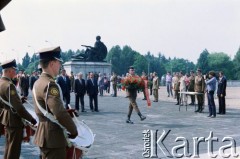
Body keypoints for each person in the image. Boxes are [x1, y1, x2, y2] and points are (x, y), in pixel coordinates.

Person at [33, 46, 78, 159]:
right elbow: (59, 113)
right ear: (52, 64)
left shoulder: (38, 82)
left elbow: (48, 108)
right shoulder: (50, 84)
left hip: (44, 134)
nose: (60, 66)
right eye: (59, 62)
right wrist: (73, 130)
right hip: (53, 137)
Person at [0, 59, 37, 159]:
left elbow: (4, 102)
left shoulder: (1, 82)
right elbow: (19, 108)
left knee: (9, 147)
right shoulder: (9, 85)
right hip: (14, 120)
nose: (15, 72)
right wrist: (32, 119)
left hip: (7, 119)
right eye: (14, 69)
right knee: (14, 150)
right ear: (9, 70)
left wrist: (19, 100)